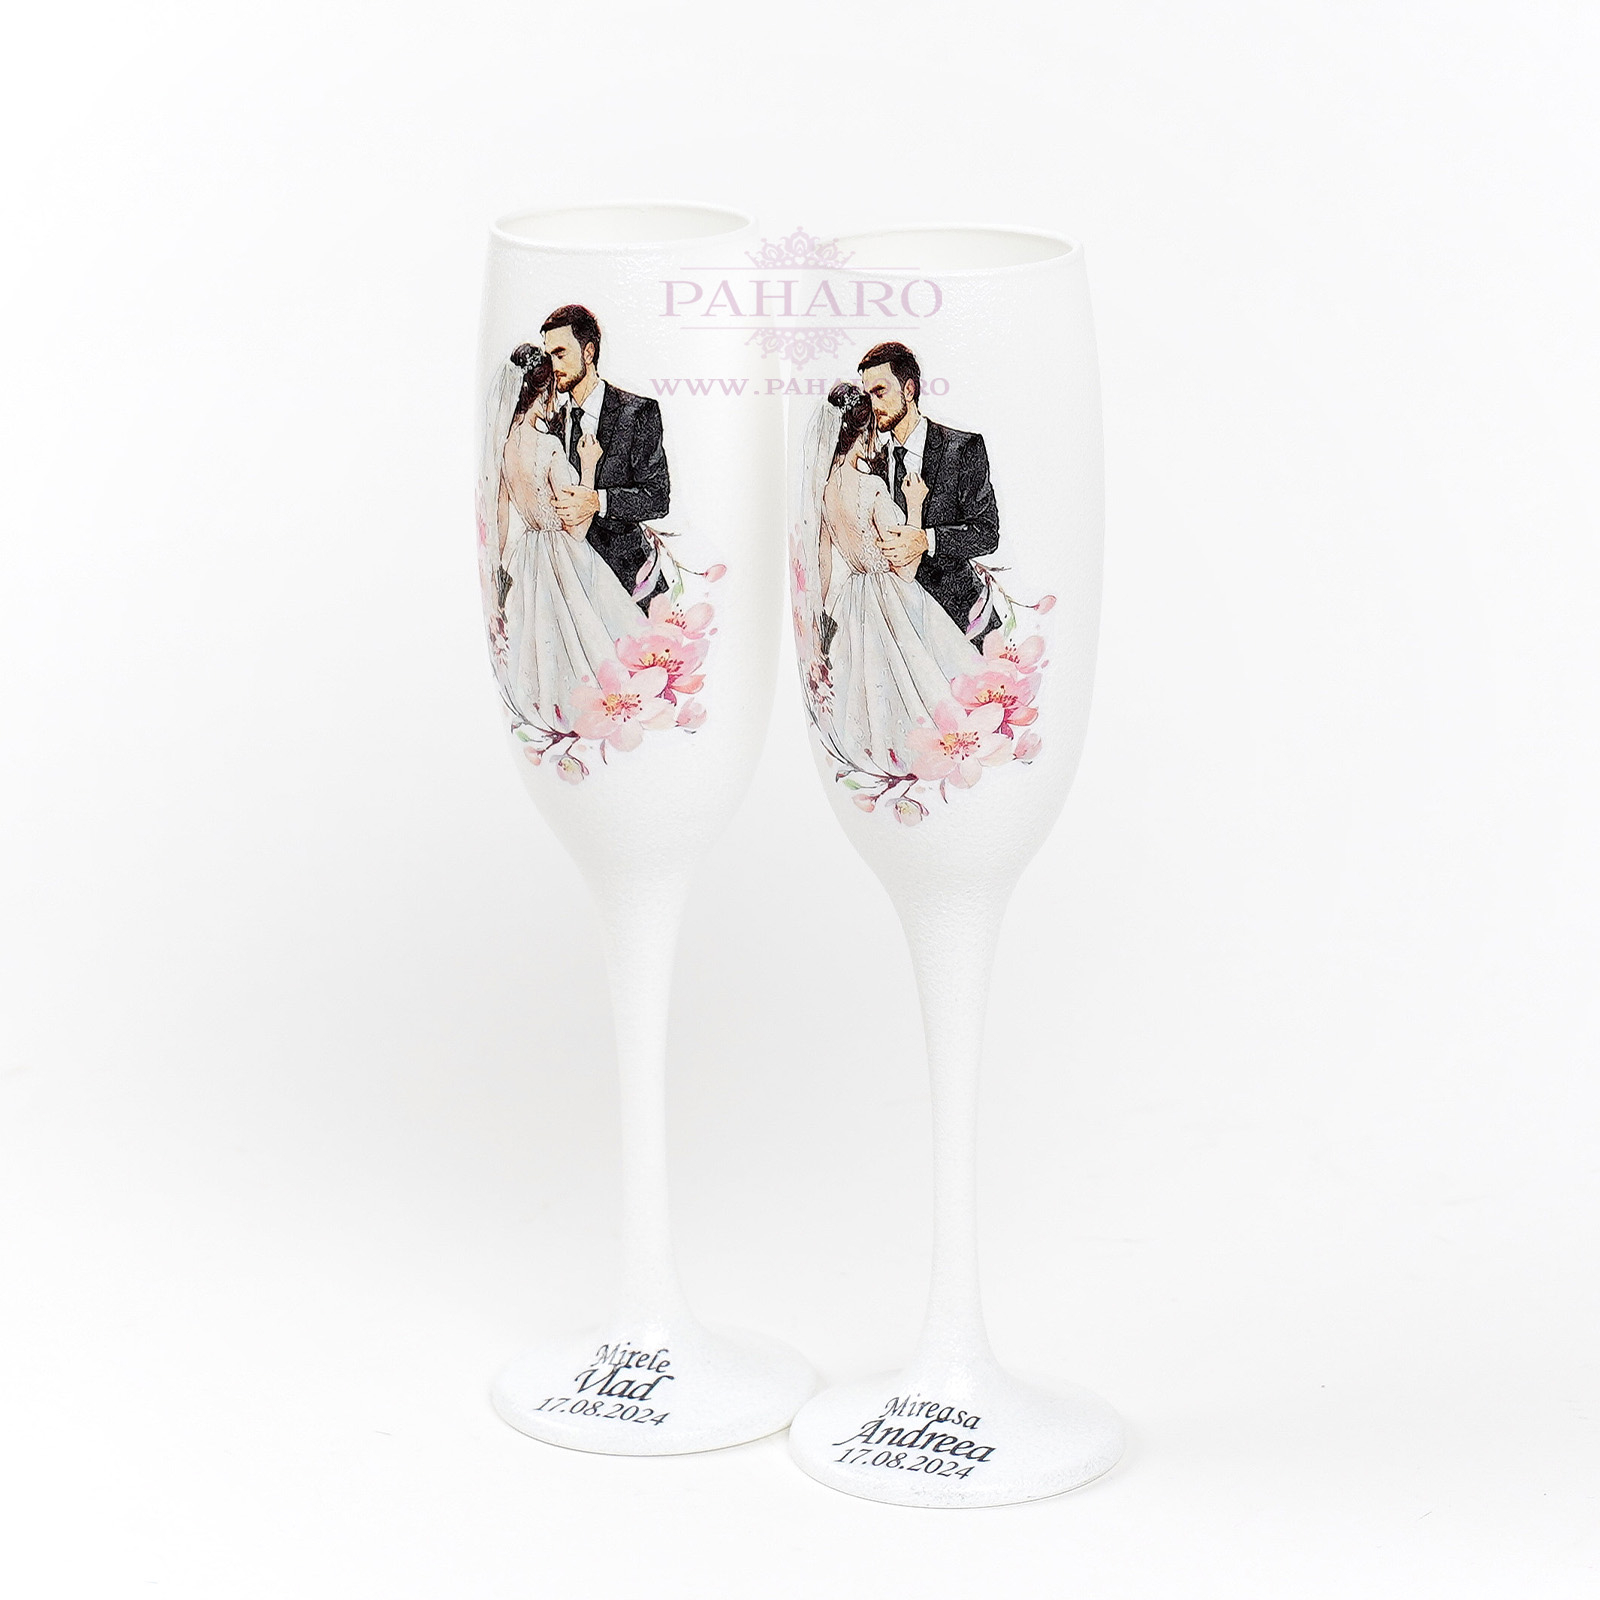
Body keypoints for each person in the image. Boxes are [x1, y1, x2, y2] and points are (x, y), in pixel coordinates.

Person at [798, 383, 985, 772]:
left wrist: (820, 614)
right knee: (917, 685)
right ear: (865, 431)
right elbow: (906, 568)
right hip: (891, 597)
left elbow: (824, 562)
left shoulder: (826, 491)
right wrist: (914, 505)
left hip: (852, 601)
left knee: (866, 694)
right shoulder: (871, 487)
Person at [488, 344, 650, 727]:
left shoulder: (506, 447)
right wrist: (589, 465)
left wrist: (500, 567)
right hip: (563, 557)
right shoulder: (547, 447)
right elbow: (576, 528)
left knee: (539, 648)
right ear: (543, 391)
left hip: (527, 558)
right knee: (588, 644)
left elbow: (501, 516)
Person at [855, 341, 1001, 643]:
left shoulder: (962, 448)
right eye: (867, 395)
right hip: (898, 627)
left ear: (909, 390)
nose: (872, 405)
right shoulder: (872, 463)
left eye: (879, 392)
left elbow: (987, 533)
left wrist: (926, 540)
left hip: (962, 622)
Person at [540, 303, 671, 612]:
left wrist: (598, 501)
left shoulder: (637, 412)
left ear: (588, 352)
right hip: (570, 588)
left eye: (560, 354)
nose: (552, 366)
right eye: (548, 357)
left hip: (631, 587)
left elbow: (657, 498)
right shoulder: (551, 424)